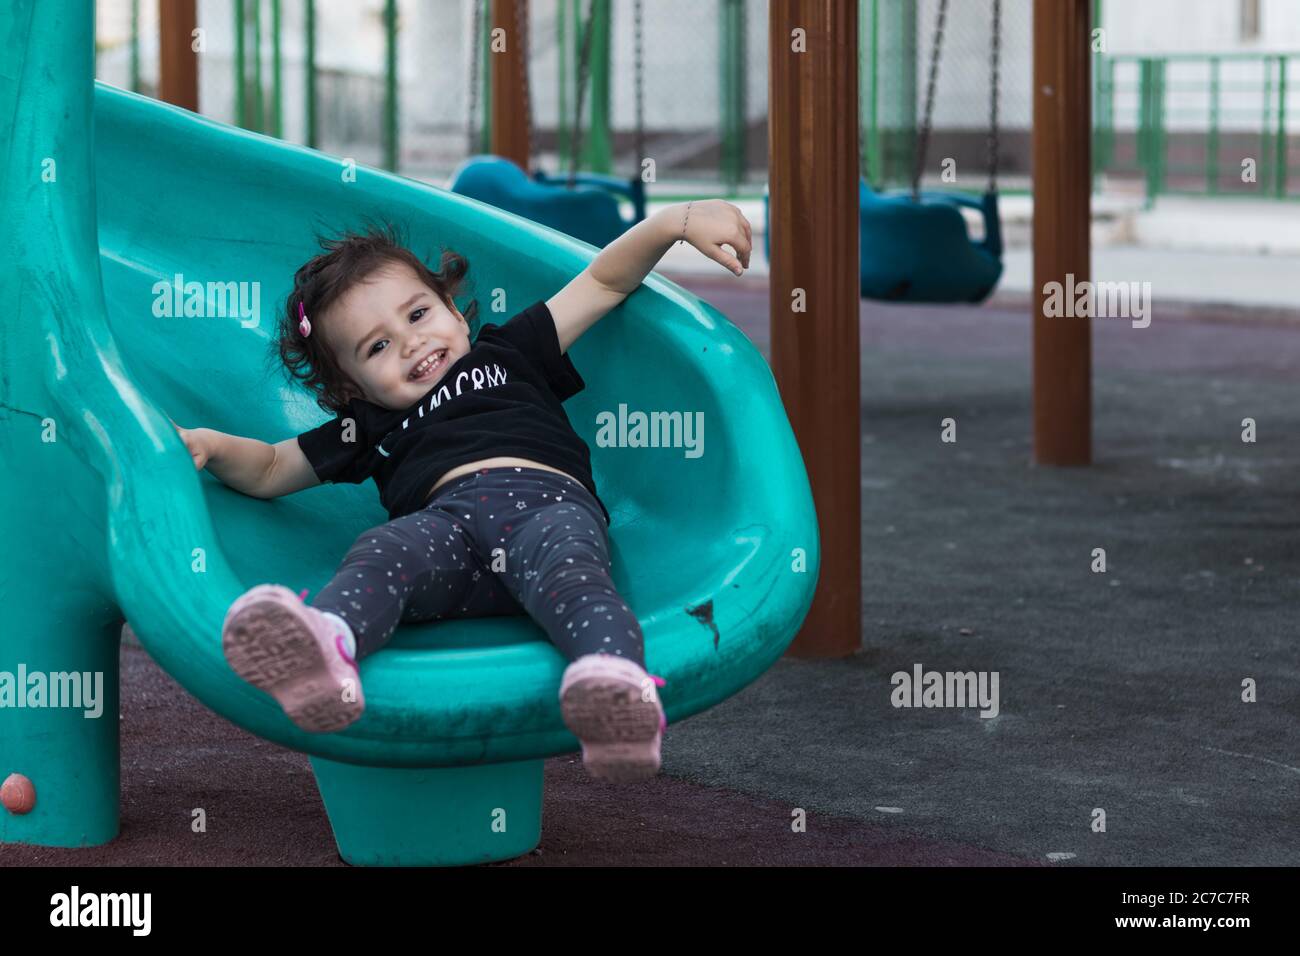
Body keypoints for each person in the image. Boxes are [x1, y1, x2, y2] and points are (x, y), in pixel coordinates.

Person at [173, 201, 752, 782]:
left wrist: (673, 224)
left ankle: (611, 688)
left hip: (545, 507)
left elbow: (604, 280)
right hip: (448, 538)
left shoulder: (510, 353)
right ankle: (325, 649)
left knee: (574, 579)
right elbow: (274, 467)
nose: (409, 343)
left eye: (418, 313)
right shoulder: (367, 425)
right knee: (383, 550)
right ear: (353, 386)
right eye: (376, 347)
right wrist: (212, 446)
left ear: (453, 308)